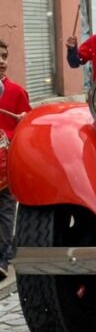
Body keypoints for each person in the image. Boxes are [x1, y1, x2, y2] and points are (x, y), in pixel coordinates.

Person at [0, 40, 31, 281]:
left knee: (5, 212)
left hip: (3, 165)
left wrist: (23, 119)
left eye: (4, 56)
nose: (2, 62)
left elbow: (25, 126)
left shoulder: (16, 92)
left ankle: (2, 258)